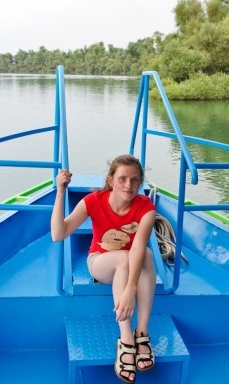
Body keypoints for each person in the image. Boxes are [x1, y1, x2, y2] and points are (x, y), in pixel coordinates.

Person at [51, 154, 156, 383]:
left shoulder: (146, 208)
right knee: (122, 259)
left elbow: (138, 247)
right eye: (122, 179)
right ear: (111, 180)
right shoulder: (93, 201)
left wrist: (130, 289)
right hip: (100, 262)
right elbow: (59, 233)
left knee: (146, 254)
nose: (128, 185)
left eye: (135, 180)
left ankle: (142, 332)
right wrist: (60, 192)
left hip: (130, 262)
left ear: (140, 183)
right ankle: (126, 339)